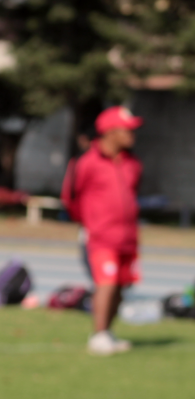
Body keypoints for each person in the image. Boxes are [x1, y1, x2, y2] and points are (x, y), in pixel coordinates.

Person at [61, 106, 143, 355]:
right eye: (127, 130)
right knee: (105, 282)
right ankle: (97, 335)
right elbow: (71, 197)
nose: (132, 134)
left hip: (127, 237)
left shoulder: (132, 164)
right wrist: (89, 222)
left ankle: (107, 331)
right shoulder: (87, 162)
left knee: (120, 286)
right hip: (100, 236)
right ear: (109, 132)